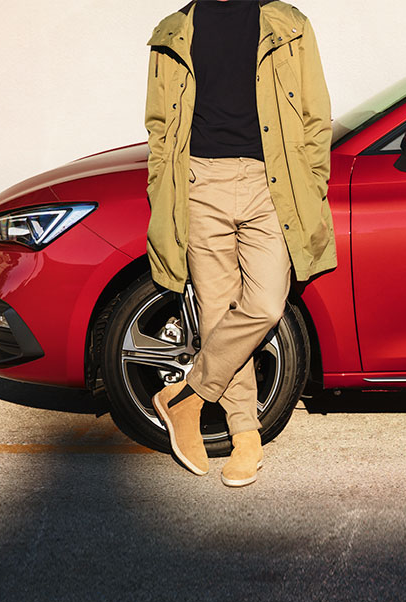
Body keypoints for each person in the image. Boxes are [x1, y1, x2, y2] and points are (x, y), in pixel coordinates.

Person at [144, 0, 335, 487]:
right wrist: (161, 185)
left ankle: (186, 395)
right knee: (217, 310)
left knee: (266, 304)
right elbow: (159, 127)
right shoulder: (173, 32)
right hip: (200, 182)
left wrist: (311, 184)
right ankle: (244, 434)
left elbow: (316, 118)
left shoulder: (288, 25)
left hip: (269, 182)